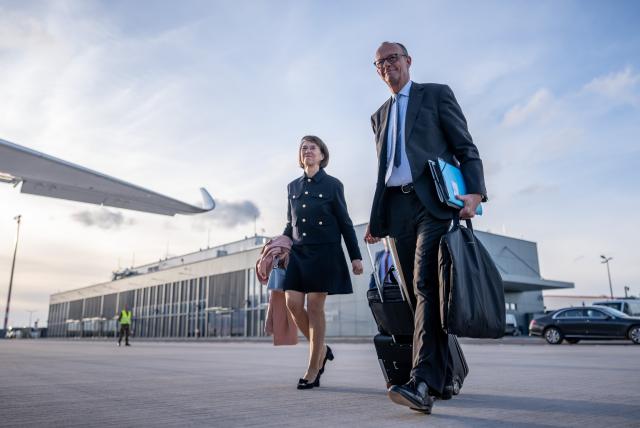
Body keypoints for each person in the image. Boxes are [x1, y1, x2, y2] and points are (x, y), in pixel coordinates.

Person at [364, 42, 487, 414]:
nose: (388, 66)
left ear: (408, 61)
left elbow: (465, 146)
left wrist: (475, 193)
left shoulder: (435, 95)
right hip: (395, 208)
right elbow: (386, 167)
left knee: (425, 284)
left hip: (433, 202)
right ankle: (448, 374)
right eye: (380, 63)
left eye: (393, 59)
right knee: (417, 296)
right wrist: (376, 219)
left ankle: (422, 382)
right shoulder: (377, 116)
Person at [282, 135, 364, 389]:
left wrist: (355, 256)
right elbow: (290, 222)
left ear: (322, 155)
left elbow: (345, 222)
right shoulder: (292, 187)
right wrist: (280, 244)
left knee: (315, 306)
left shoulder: (333, 185)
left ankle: (313, 368)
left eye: (312, 148)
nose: (307, 151)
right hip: (298, 252)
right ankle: (323, 349)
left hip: (324, 252)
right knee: (293, 303)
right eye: (303, 148)